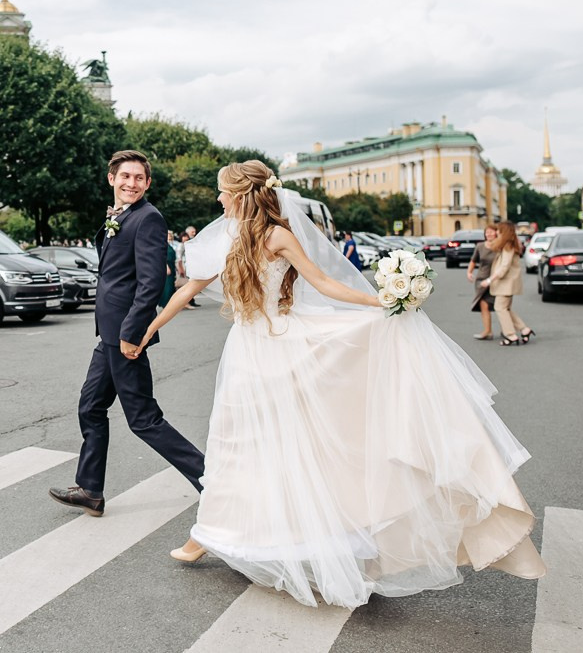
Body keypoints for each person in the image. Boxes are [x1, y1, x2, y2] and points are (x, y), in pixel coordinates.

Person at [139, 160, 545, 608]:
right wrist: (147, 330)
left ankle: (232, 533)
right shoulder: (227, 239)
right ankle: (211, 531)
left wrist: (381, 301)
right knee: (235, 443)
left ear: (240, 194)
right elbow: (186, 289)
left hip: (279, 347)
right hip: (246, 354)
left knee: (282, 444)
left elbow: (325, 283)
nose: (217, 199)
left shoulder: (278, 236)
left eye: (221, 192)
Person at [48, 150, 206, 517]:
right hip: (109, 334)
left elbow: (150, 284)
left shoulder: (148, 219)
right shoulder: (120, 216)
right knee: (90, 406)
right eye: (125, 177)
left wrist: (133, 334)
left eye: (138, 178)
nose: (131, 183)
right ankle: (90, 489)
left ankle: (210, 479)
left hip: (125, 335)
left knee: (144, 419)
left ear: (147, 183)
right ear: (112, 179)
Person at [481, 221, 534, 346]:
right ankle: (524, 329)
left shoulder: (508, 246)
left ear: (504, 231)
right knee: (506, 308)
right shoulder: (508, 244)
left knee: (500, 308)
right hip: (507, 283)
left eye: (499, 230)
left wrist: (489, 280)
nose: (497, 232)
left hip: (506, 283)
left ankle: (510, 335)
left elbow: (504, 267)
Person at [467, 225, 499, 340]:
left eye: (491, 232)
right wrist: (469, 272)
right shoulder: (480, 246)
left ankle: (507, 329)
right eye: (487, 232)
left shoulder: (500, 247)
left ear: (496, 233)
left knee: (500, 306)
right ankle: (487, 331)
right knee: (484, 305)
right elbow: (473, 261)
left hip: (495, 280)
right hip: (481, 280)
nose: (489, 234)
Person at [160, 230, 177, 308]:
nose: (170, 236)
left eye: (171, 234)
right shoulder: (162, 244)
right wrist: (166, 267)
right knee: (168, 286)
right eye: (169, 234)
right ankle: (165, 304)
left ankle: (169, 303)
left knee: (171, 285)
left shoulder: (170, 244)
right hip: (167, 266)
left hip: (172, 265)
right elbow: (162, 257)